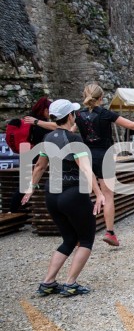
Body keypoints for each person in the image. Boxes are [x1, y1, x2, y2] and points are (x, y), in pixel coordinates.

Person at [22, 99, 105, 296]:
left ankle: (48, 282)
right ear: (70, 116)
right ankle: (70, 283)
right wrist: (99, 193)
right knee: (86, 239)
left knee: (68, 239)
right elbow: (85, 168)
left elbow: (40, 166)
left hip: (51, 194)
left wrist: (30, 188)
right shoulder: (75, 139)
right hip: (73, 194)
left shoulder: (48, 137)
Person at [77, 83, 134, 247]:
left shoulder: (78, 115)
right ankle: (110, 232)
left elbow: (66, 128)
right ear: (101, 97)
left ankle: (80, 234)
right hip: (104, 156)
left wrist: (38, 123)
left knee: (84, 195)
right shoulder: (105, 114)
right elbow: (132, 125)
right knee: (107, 195)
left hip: (86, 156)